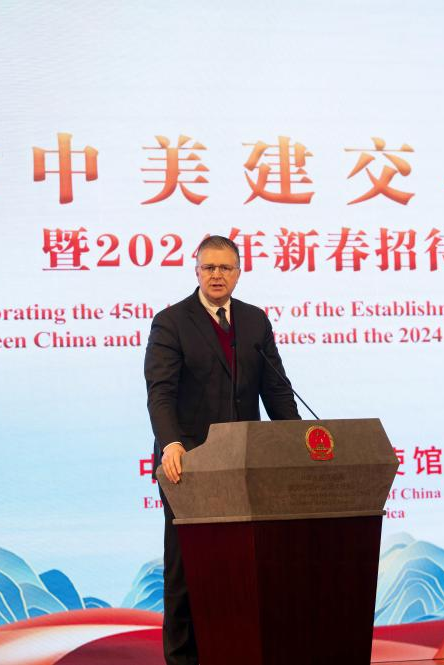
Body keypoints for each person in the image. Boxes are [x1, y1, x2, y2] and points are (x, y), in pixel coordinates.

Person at [144, 235, 301, 665]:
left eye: (225, 268)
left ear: (238, 272)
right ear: (196, 271)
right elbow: (160, 393)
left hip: (245, 465)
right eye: (209, 267)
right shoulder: (172, 322)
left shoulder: (254, 321)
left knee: (243, 569)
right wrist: (171, 443)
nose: (217, 275)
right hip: (189, 465)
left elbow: (276, 391)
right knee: (187, 570)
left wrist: (299, 445)